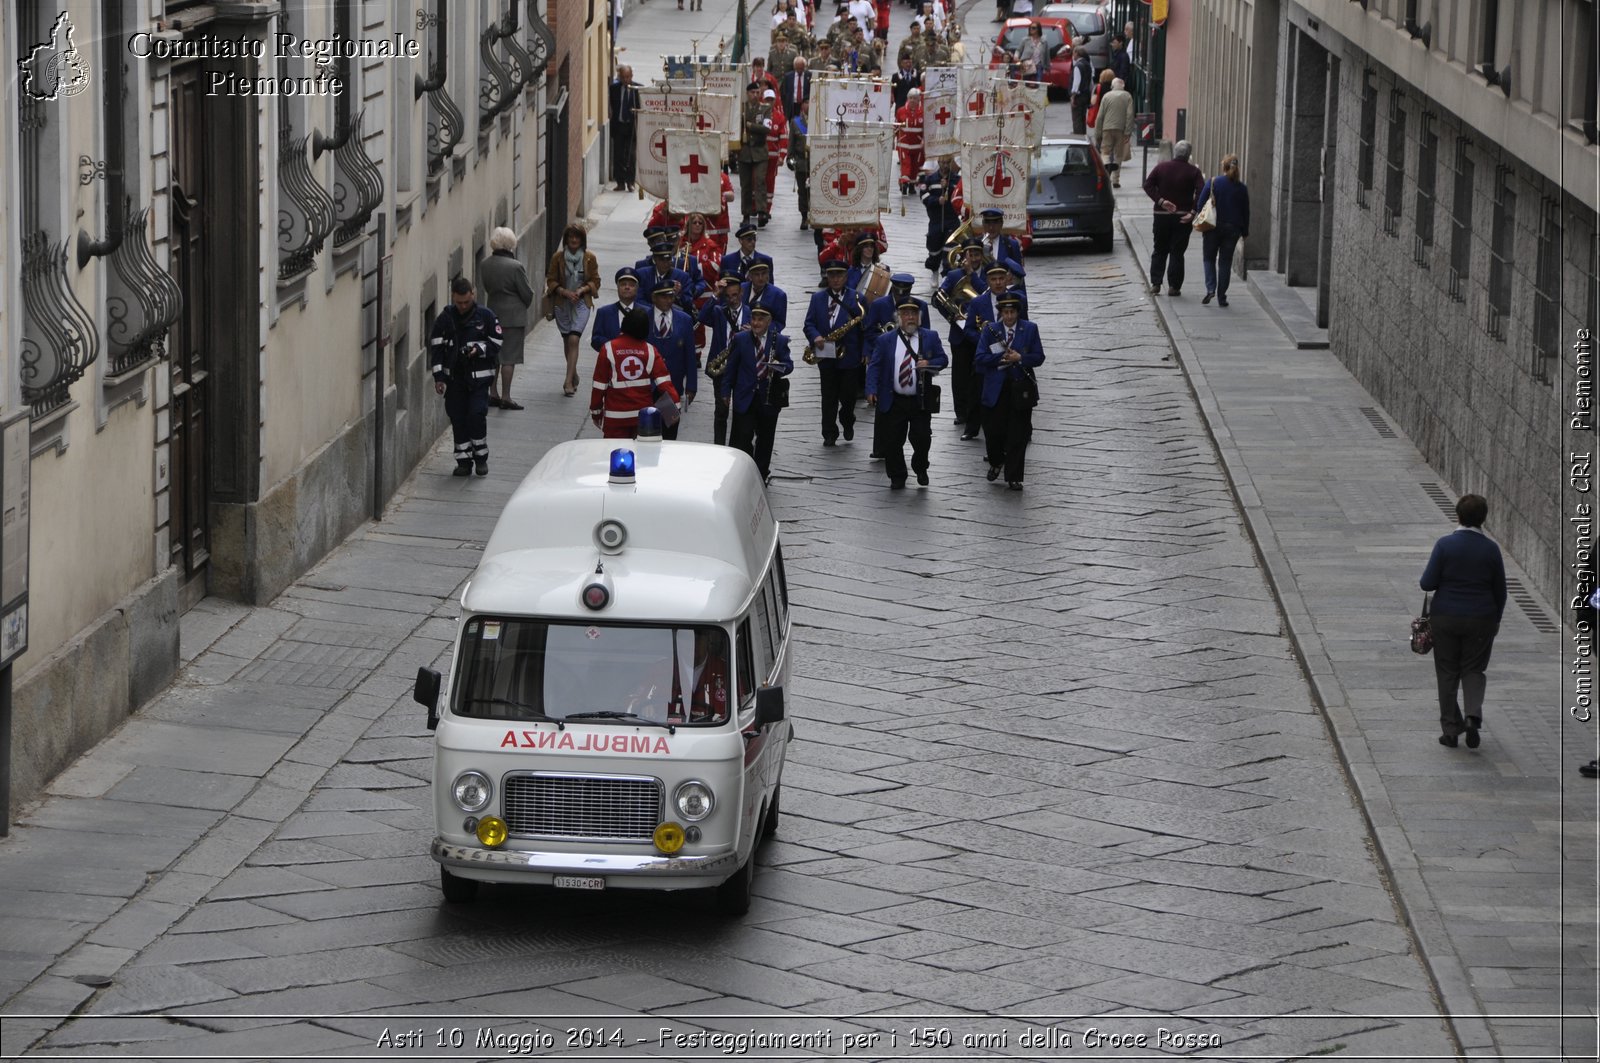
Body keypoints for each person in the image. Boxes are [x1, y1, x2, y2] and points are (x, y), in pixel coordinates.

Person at [1420, 494, 1508, 749]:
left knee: (1447, 672)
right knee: (1473, 669)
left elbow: (1427, 583)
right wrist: (1496, 620)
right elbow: (1500, 591)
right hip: (1481, 619)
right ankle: (1472, 716)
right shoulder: (1491, 549)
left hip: (1445, 617)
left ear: (1458, 516)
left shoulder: (1445, 545)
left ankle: (1451, 730)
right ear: (1484, 519)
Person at [867, 301, 948, 489]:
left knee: (922, 437)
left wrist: (928, 362)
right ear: (898, 317)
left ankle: (920, 466)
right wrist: (871, 389)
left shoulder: (930, 337)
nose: (909, 317)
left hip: (919, 399)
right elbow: (875, 366)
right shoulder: (885, 340)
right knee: (892, 440)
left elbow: (943, 359)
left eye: (913, 313)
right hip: (894, 398)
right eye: (905, 314)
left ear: (919, 317)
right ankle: (897, 475)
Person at [430, 277, 503, 476]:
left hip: (479, 380)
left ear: (473, 295)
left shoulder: (486, 316)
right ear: (453, 297)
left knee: (476, 414)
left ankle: (480, 458)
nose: (462, 306)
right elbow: (436, 348)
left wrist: (478, 349)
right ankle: (463, 461)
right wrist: (438, 377)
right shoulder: (445, 318)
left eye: (466, 302)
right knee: (458, 418)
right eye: (459, 302)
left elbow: (497, 342)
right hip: (454, 380)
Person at [974, 294, 1042, 490]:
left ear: (1018, 313)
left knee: (1018, 434)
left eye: (1012, 312)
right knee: (993, 433)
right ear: (1000, 313)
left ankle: (1014, 476)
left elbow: (1039, 356)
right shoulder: (990, 330)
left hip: (1020, 389)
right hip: (996, 388)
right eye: (1006, 312)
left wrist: (1021, 357)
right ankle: (997, 461)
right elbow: (980, 357)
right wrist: (1001, 359)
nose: (1009, 316)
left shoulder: (1029, 329)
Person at [722, 305, 794, 483]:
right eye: (754, 318)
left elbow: (789, 365)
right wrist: (726, 391)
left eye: (761, 319)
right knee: (743, 436)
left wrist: (779, 366)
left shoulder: (780, 341)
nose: (756, 323)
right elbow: (731, 367)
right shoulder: (740, 339)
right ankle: (743, 472)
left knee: (766, 438)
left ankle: (761, 474)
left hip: (768, 397)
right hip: (745, 395)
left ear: (769, 322)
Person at [591, 308, 680, 439]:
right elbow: (665, 385)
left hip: (615, 418)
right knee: (644, 456)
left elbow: (599, 386)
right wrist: (675, 409)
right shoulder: (650, 351)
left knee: (615, 453)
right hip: (644, 419)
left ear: (624, 324)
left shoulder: (608, 349)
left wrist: (596, 412)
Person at [803, 260, 866, 446]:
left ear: (846, 277)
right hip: (826, 355)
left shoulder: (857, 298)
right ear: (827, 277)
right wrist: (815, 337)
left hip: (850, 357)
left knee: (848, 396)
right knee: (828, 396)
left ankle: (847, 419)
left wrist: (865, 352)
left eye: (839, 275)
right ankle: (829, 432)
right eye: (832, 275)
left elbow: (865, 328)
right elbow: (809, 324)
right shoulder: (817, 298)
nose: (836, 279)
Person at [540, 224, 599, 400]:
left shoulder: (589, 258)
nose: (574, 240)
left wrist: (581, 291)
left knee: (574, 338)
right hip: (562, 304)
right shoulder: (558, 258)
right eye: (571, 237)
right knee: (567, 341)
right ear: (566, 239)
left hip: (581, 304)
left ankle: (567, 382)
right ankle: (573, 373)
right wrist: (564, 292)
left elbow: (596, 280)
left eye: (577, 237)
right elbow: (550, 280)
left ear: (582, 240)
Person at [481, 226, 536, 411]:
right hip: (513, 317)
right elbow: (527, 293)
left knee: (494, 356)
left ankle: (493, 393)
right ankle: (506, 396)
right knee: (509, 358)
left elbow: (487, 287)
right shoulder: (515, 267)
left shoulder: (485, 264)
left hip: (493, 313)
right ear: (511, 244)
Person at [938, 240, 989, 438]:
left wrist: (972, 276)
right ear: (964, 255)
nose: (974, 258)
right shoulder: (952, 275)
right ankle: (961, 413)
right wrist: (952, 316)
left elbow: (985, 293)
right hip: (959, 332)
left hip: (980, 332)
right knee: (960, 374)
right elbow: (939, 298)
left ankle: (980, 409)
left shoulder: (985, 274)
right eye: (971, 254)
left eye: (977, 254)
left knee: (979, 374)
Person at [1142, 139, 1204, 296]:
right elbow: (1201, 191)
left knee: (1159, 249)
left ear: (1174, 152)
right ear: (1189, 154)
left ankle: (1156, 283)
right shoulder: (1193, 172)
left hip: (1161, 215)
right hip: (1183, 218)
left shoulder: (1161, 167)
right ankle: (1174, 287)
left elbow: (1147, 185)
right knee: (1177, 252)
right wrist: (1193, 211)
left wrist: (1161, 201)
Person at [700, 276, 750, 446]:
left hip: (743, 368)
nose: (732, 299)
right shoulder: (718, 311)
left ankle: (739, 446)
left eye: (735, 295)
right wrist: (715, 294)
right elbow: (702, 316)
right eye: (728, 296)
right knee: (721, 411)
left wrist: (753, 332)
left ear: (741, 293)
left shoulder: (751, 314)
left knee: (742, 411)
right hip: (721, 368)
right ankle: (719, 446)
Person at [1196, 154, 1251, 307]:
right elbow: (1246, 212)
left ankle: (1210, 289)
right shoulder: (1242, 188)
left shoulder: (1213, 182)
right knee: (1225, 262)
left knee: (1209, 258)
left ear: (1223, 167)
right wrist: (1245, 232)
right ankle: (1222, 297)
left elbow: (1200, 205)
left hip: (1213, 227)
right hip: (1233, 230)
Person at [645, 282, 698, 440]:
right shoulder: (643, 317)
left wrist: (691, 386)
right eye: (663, 296)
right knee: (647, 430)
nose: (668, 300)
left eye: (671, 296)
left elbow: (690, 355)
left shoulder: (684, 319)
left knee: (669, 431)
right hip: (647, 386)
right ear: (654, 298)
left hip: (671, 387)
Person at [738, 83, 773, 226]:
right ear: (747, 93)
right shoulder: (741, 109)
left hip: (759, 150)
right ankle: (746, 214)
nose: (755, 95)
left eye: (758, 92)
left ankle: (761, 212)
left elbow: (766, 128)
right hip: (745, 151)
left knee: (760, 182)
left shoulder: (765, 108)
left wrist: (750, 126)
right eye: (752, 92)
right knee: (745, 185)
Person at [920, 156, 962, 274]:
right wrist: (936, 200)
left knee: (950, 249)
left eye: (947, 162)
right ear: (938, 162)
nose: (944, 166)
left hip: (952, 220)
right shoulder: (930, 179)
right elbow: (923, 196)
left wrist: (948, 187)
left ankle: (946, 274)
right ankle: (934, 270)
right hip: (935, 220)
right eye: (942, 162)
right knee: (934, 249)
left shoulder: (957, 180)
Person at [682, 628, 731, 723]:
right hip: (671, 732)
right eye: (688, 639)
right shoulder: (661, 671)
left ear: (708, 640)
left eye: (698, 639)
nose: (693, 644)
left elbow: (742, 712)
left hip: (714, 733)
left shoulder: (725, 670)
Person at [591, 267, 644, 353]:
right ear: (617, 287)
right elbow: (595, 340)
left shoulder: (646, 312)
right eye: (623, 284)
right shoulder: (604, 313)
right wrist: (615, 346)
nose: (627, 287)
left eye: (631, 285)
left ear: (637, 288)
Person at [1095, 77, 1135, 188]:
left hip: (1106, 128)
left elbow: (1100, 116)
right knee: (1118, 155)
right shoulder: (1127, 96)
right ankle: (1116, 180)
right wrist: (1128, 132)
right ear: (1123, 86)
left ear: (1112, 86)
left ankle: (1107, 166)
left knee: (1105, 152)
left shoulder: (1106, 96)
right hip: (1120, 130)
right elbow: (1130, 115)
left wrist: (1097, 134)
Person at [608, 66, 640, 191]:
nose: (626, 80)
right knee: (618, 155)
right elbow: (613, 106)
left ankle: (630, 182)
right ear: (620, 77)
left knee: (631, 155)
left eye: (628, 77)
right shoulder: (614, 89)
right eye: (623, 77)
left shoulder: (638, 89)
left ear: (631, 76)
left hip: (632, 127)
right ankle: (620, 182)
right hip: (619, 126)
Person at [740, 260, 788, 329]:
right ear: (750, 276)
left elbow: (779, 324)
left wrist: (757, 329)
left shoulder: (778, 295)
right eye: (757, 274)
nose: (760, 278)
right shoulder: (741, 288)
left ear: (768, 275)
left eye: (764, 273)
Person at [894, 87, 925, 194]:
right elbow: (896, 127)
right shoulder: (901, 111)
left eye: (915, 98)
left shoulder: (923, 113)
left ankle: (911, 185)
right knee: (906, 164)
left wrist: (924, 140)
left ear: (919, 100)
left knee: (915, 166)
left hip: (917, 145)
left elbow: (927, 129)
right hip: (904, 144)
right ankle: (904, 183)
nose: (912, 100)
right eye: (910, 98)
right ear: (908, 98)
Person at [1067, 47, 1094, 134]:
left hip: (1079, 96)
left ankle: (1078, 137)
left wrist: (1073, 96)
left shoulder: (1078, 66)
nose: (1072, 55)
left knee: (1077, 118)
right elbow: (1091, 83)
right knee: (1082, 117)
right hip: (1086, 95)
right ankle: (1083, 135)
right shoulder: (1088, 65)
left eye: (1073, 53)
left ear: (1077, 54)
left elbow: (1076, 83)